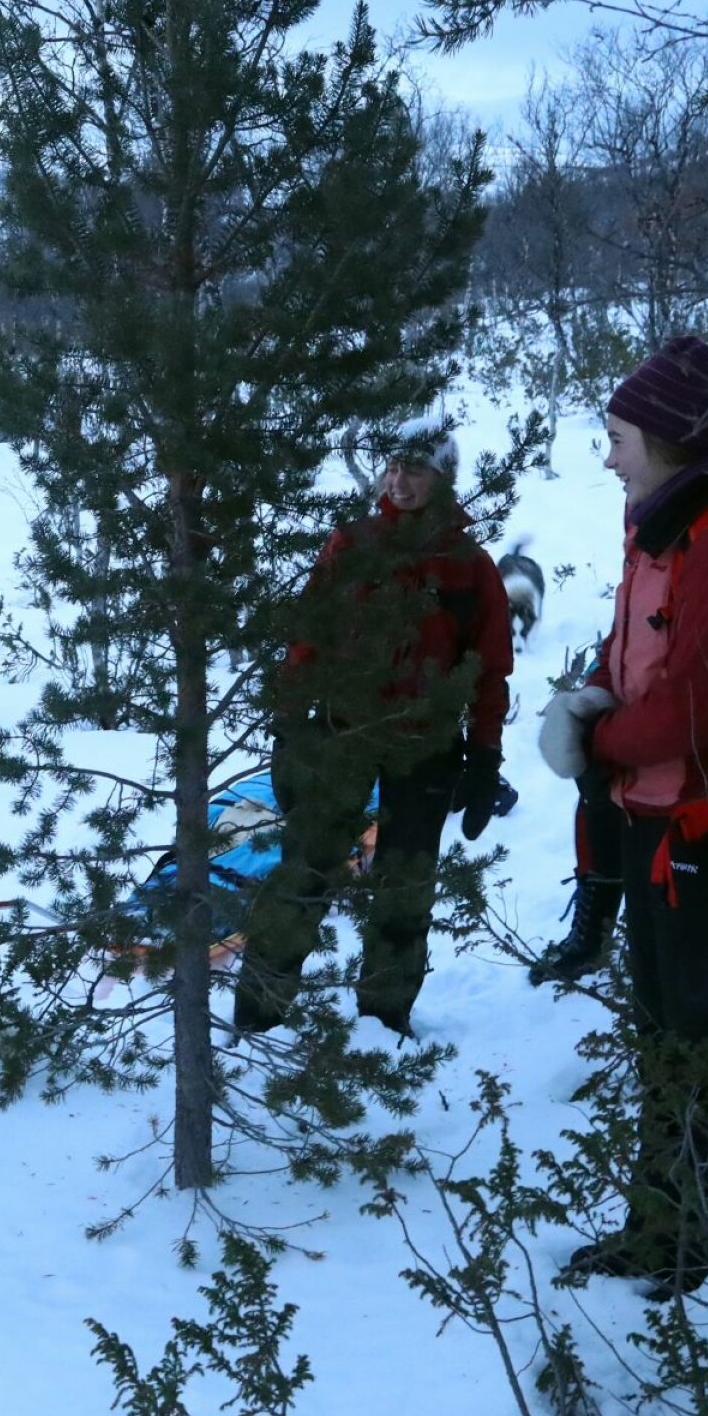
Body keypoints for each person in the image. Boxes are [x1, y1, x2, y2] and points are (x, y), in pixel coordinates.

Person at [547, 334, 708, 1296]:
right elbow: (645, 664)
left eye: (617, 435)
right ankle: (665, 1218)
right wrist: (591, 702)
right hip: (656, 813)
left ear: (664, 437)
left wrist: (597, 743)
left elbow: (703, 701)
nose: (607, 455)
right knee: (662, 1029)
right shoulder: (658, 525)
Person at [233, 416, 512, 1039]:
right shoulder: (352, 545)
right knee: (304, 872)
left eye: (416, 467)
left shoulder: (469, 566)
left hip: (427, 745)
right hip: (342, 734)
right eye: (393, 465)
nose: (400, 478)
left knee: (405, 887)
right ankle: (257, 1016)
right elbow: (309, 637)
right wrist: (288, 724)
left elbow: (489, 672)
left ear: (444, 478)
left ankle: (385, 1022)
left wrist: (485, 756)